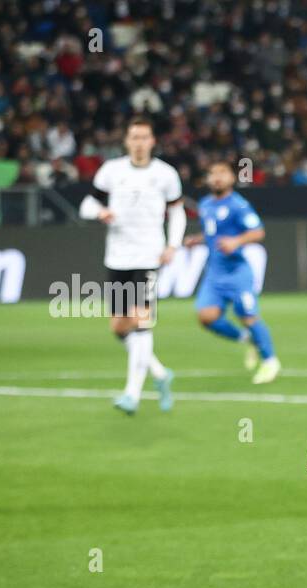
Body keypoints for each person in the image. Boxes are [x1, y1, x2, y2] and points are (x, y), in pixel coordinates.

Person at [79, 116, 183, 415]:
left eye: (144, 137)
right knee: (119, 325)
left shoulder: (165, 174)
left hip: (148, 257)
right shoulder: (112, 171)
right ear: (126, 141)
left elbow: (177, 212)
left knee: (141, 321)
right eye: (133, 137)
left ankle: (132, 394)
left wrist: (172, 245)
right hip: (118, 257)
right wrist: (100, 213)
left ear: (152, 141)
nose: (139, 143)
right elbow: (88, 204)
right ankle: (161, 374)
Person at [186, 161, 280, 384]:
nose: (217, 178)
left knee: (248, 316)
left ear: (231, 178)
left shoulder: (239, 205)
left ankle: (270, 362)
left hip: (237, 273)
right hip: (214, 275)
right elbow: (212, 233)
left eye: (222, 173)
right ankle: (247, 339)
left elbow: (258, 232)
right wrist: (196, 240)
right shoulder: (206, 204)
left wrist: (237, 241)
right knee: (206, 317)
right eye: (212, 173)